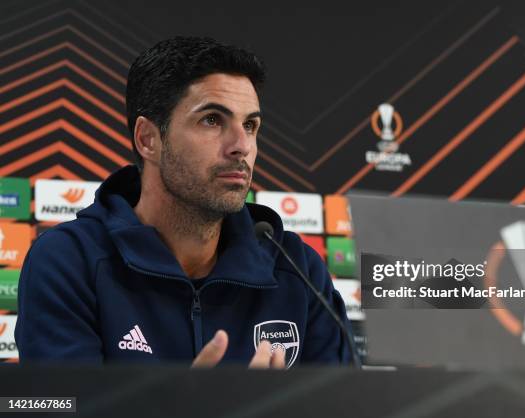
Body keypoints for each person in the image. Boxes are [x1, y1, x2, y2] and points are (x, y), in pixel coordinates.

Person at [15, 36, 353, 368]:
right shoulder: (70, 262)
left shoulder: (297, 268)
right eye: (212, 120)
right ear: (148, 139)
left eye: (250, 125)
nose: (241, 146)